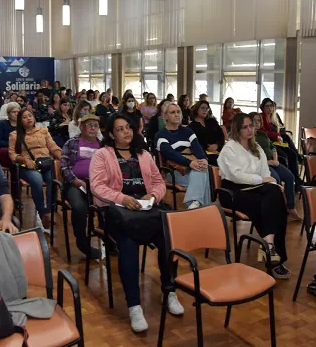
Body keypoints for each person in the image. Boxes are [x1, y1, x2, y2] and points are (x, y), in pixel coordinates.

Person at [89, 113, 184, 332]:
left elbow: (159, 182)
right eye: (120, 129)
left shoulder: (144, 154)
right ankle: (134, 306)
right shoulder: (102, 155)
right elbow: (97, 187)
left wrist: (152, 197)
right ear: (111, 134)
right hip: (118, 212)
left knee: (170, 240)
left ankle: (169, 291)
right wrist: (123, 198)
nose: (126, 132)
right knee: (128, 245)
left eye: (128, 128)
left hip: (147, 210)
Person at [217, 113, 290, 279]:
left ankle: (269, 245)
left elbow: (266, 172)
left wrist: (272, 184)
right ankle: (274, 257)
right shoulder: (229, 148)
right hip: (233, 192)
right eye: (245, 127)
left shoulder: (257, 148)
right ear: (237, 129)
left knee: (275, 194)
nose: (250, 129)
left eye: (251, 126)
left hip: (257, 187)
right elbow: (236, 176)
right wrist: (263, 180)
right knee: (267, 203)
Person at [9, 108, 62, 231]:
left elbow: (53, 146)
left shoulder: (43, 130)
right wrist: (24, 160)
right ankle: (42, 212)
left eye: (30, 116)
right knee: (37, 180)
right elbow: (12, 154)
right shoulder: (15, 135)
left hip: (46, 163)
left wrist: (61, 155)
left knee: (53, 179)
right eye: (25, 117)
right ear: (20, 121)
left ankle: (49, 211)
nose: (29, 118)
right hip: (27, 166)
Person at [60, 114, 103, 259]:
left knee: (111, 204)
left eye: (95, 125)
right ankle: (82, 242)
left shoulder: (102, 145)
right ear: (82, 127)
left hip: (97, 183)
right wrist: (75, 180)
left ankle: (109, 238)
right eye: (90, 125)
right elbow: (64, 166)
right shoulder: (72, 143)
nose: (93, 128)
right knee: (79, 207)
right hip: (75, 183)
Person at [155, 103, 211, 209]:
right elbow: (171, 154)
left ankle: (194, 205)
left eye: (178, 112)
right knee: (203, 174)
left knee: (203, 168)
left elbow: (197, 148)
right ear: (165, 116)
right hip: (174, 172)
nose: (176, 115)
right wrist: (190, 163)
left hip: (192, 169)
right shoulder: (160, 135)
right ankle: (201, 208)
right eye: (172, 112)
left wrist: (204, 159)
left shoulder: (188, 132)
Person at [250, 112, 301, 220]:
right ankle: (277, 209)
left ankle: (290, 207)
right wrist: (268, 162)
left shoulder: (262, 134)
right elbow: (251, 157)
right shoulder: (249, 138)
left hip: (273, 162)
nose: (257, 122)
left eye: (259, 120)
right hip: (262, 165)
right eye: (254, 120)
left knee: (289, 177)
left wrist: (275, 159)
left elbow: (273, 147)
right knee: (275, 180)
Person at [259, 98, 302, 186]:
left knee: (292, 154)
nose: (269, 108)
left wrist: (278, 136)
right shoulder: (261, 117)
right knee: (285, 156)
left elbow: (279, 129)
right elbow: (263, 132)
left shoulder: (274, 116)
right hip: (269, 143)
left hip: (277, 142)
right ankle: (290, 181)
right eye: (267, 106)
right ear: (263, 107)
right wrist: (276, 136)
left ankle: (296, 181)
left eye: (271, 106)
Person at [188, 100, 225, 166]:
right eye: (202, 108)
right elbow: (195, 142)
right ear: (197, 109)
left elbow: (221, 136)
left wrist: (217, 145)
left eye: (207, 108)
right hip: (204, 153)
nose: (205, 110)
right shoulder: (191, 126)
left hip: (219, 149)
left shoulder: (212, 122)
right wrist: (208, 148)